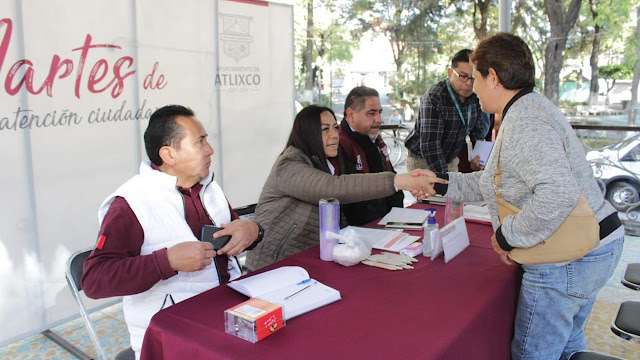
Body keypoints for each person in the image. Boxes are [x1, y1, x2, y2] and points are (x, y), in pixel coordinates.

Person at [422, 33, 623, 360]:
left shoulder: (525, 122)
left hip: (568, 258)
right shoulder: (526, 109)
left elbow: (557, 193)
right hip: (594, 245)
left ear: (494, 78)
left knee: (535, 354)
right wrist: (441, 183)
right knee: (569, 347)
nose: (473, 87)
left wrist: (507, 236)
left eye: (476, 79)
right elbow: (493, 182)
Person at [81, 105, 263, 358]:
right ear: (169, 154)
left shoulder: (208, 188)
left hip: (229, 314)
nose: (210, 150)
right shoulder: (131, 203)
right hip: (172, 336)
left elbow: (235, 233)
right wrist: (166, 261)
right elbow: (94, 280)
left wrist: (253, 230)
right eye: (200, 142)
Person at [245, 105, 444, 271]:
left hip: (311, 260)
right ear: (307, 134)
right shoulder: (289, 164)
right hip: (272, 265)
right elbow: (334, 189)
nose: (334, 135)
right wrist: (399, 181)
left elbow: (357, 186)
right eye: (324, 130)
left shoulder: (333, 159)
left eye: (335, 127)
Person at [405, 49, 490, 173]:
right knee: (442, 191)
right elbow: (429, 145)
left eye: (473, 78)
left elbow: (477, 133)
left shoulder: (475, 96)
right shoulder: (435, 96)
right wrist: (445, 179)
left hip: (449, 159)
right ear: (450, 73)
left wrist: (479, 158)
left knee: (454, 190)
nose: (468, 83)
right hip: (422, 161)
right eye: (463, 76)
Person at [339, 86, 404, 225]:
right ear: (351, 115)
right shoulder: (340, 144)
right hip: (361, 231)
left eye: (380, 112)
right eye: (371, 113)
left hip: (388, 224)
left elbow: (393, 179)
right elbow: (350, 200)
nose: (379, 119)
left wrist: (396, 218)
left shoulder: (376, 139)